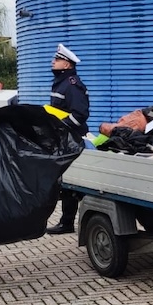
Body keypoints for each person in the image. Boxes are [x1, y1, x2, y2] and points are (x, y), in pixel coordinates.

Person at [46, 43, 89, 235]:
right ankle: (66, 222)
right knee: (67, 181)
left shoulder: (72, 85)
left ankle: (67, 222)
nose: (53, 62)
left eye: (57, 60)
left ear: (67, 64)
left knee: (72, 181)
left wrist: (61, 126)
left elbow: (79, 115)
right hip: (63, 138)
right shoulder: (61, 83)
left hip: (72, 138)